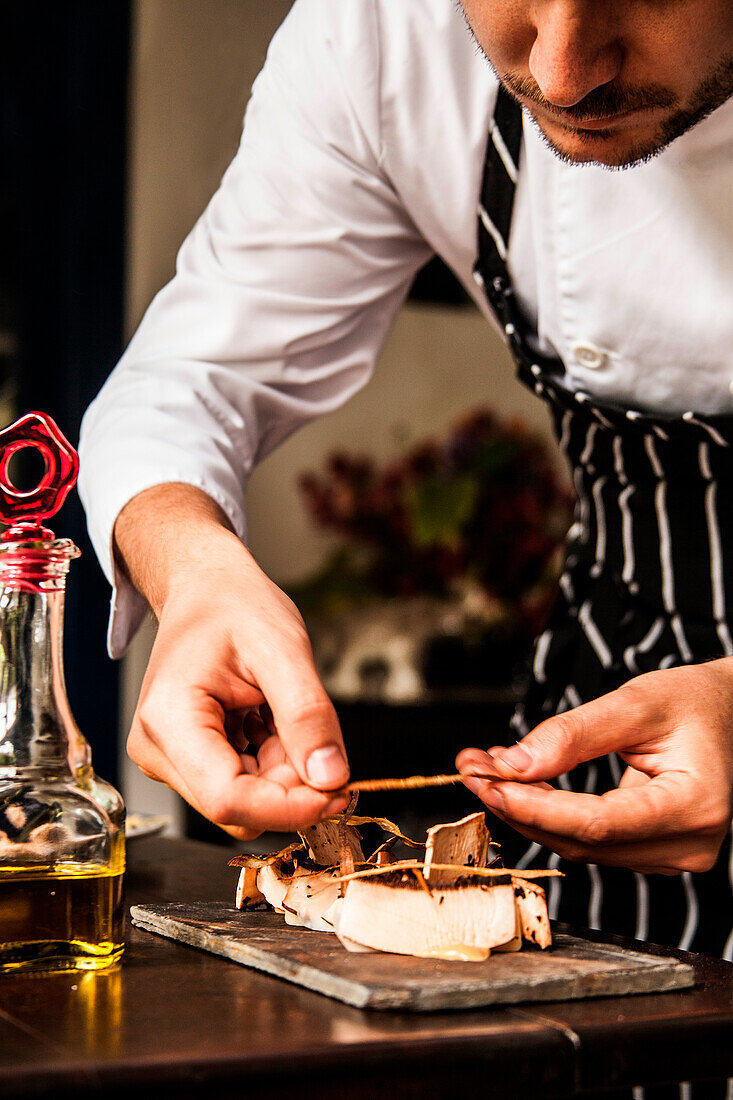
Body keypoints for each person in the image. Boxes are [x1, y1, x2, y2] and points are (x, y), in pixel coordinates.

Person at [79, 1, 733, 963]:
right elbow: (194, 374)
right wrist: (192, 571)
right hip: (607, 716)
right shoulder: (386, 33)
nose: (559, 72)